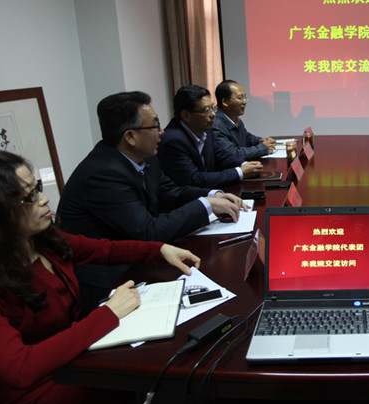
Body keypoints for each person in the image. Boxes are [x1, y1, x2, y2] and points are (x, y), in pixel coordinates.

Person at [0, 151, 202, 404]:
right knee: (160, 380)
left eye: (36, 188)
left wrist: (159, 249)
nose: (43, 199)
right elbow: (19, 367)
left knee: (166, 366)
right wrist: (108, 314)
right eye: (28, 197)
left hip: (74, 361)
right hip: (33, 397)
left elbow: (103, 250)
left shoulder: (41, 240)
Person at [57, 91, 245, 313]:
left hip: (141, 261)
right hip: (109, 282)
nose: (162, 132)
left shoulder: (145, 158)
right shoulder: (103, 173)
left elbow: (171, 191)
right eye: (155, 126)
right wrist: (206, 205)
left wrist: (213, 195)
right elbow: (147, 230)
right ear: (130, 137)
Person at [158, 85, 263, 188]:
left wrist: (245, 165)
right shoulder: (172, 140)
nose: (213, 114)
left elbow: (221, 156)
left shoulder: (205, 129)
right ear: (186, 115)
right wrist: (240, 172)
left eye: (213, 108)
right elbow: (194, 179)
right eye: (206, 110)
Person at [213, 80, 277, 161]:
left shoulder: (235, 118)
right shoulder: (216, 125)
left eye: (245, 97)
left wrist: (260, 141)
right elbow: (231, 154)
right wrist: (263, 148)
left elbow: (246, 138)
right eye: (240, 98)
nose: (245, 102)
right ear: (225, 102)